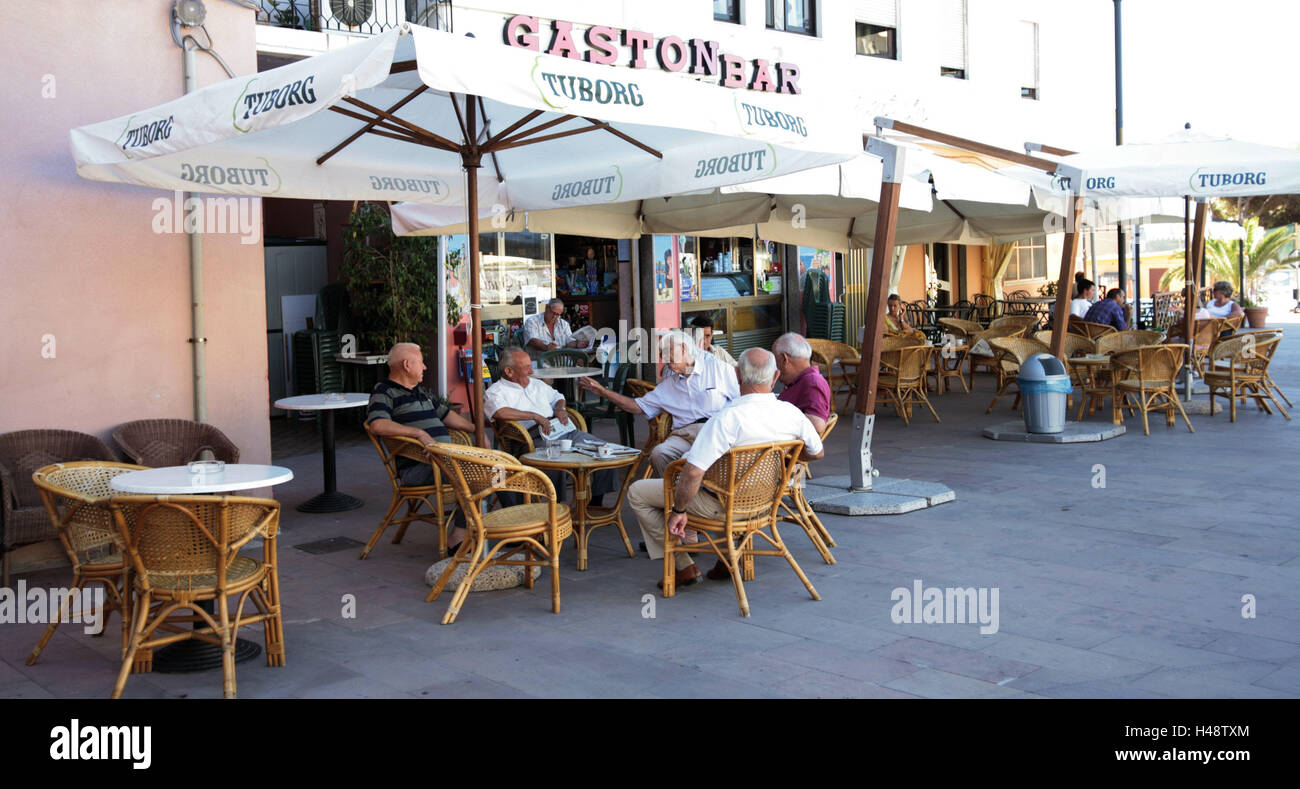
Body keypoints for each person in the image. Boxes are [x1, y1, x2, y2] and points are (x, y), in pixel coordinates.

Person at [626, 348, 824, 589]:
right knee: (716, 483)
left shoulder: (725, 419)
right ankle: (725, 556)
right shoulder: (791, 414)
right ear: (774, 377)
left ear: (737, 375)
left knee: (638, 493)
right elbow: (817, 452)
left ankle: (683, 564)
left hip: (722, 506)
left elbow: (693, 471)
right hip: (766, 502)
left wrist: (679, 510)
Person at [366, 342, 478, 553]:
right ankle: (458, 538)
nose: (425, 367)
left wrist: (477, 431)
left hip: (444, 461)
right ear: (407, 365)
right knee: (477, 474)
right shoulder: (384, 391)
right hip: (419, 468)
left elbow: (446, 414)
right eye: (421, 362)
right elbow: (377, 424)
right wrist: (419, 433)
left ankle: (507, 529)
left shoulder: (421, 392)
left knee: (497, 471)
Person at [578, 330, 738, 475]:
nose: (663, 357)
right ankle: (675, 494)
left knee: (707, 458)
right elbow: (636, 406)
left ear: (683, 348)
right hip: (684, 434)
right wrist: (603, 392)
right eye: (661, 353)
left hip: (715, 430)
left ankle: (698, 495)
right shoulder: (669, 385)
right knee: (659, 453)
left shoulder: (718, 369)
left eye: (667, 351)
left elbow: (740, 401)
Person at [485, 348, 614, 502]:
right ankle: (557, 510)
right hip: (531, 439)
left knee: (604, 450)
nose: (531, 371)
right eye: (526, 367)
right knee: (557, 464)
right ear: (509, 371)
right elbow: (499, 412)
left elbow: (558, 397)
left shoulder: (537, 384)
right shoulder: (496, 391)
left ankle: (594, 505)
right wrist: (533, 416)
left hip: (561, 430)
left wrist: (560, 408)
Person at [773, 332, 830, 433]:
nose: (774, 367)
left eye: (775, 360)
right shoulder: (801, 381)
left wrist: (779, 415)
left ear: (784, 359)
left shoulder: (812, 382)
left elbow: (817, 425)